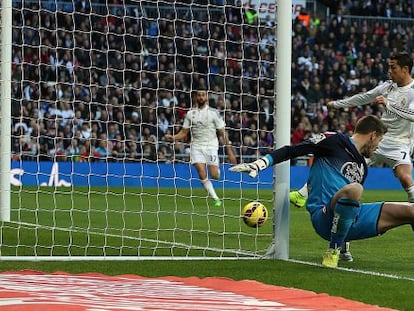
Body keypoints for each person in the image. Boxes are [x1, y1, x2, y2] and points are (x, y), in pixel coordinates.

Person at [229, 115, 414, 268]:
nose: (377, 147)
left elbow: (348, 211)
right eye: (379, 141)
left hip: (353, 220)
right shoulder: (334, 140)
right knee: (355, 189)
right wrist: (260, 163)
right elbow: (292, 150)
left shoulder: (362, 167)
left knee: (411, 211)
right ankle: (332, 250)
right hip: (323, 215)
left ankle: (340, 247)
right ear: (373, 135)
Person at [290, 52, 414, 260]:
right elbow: (364, 97)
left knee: (405, 177)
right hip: (375, 139)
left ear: (405, 69)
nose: (389, 71)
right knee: (347, 178)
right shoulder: (387, 86)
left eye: (393, 67)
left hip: (398, 143)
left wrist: (389, 105)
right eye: (388, 66)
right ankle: (307, 198)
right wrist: (339, 104)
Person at [165, 89, 237, 207]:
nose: (201, 97)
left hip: (211, 146)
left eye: (203, 95)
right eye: (199, 95)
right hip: (196, 146)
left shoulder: (214, 113)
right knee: (201, 171)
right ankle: (216, 198)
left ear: (207, 97)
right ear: (195, 97)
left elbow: (222, 133)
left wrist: (230, 151)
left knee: (214, 175)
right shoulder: (190, 113)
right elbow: (184, 132)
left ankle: (216, 171)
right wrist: (173, 138)